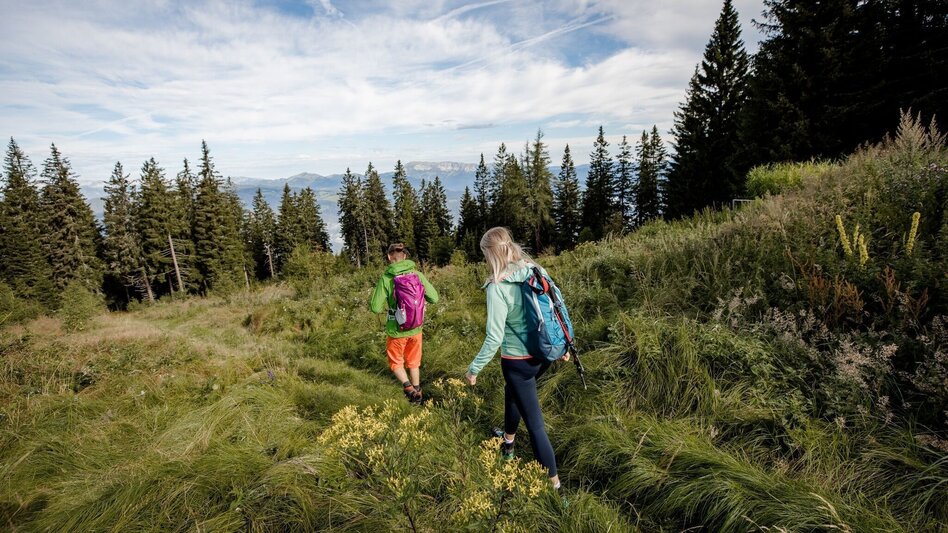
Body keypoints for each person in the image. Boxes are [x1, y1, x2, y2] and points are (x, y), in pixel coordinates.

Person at [465, 227, 566, 490]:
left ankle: (555, 488)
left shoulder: (497, 286)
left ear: (490, 253)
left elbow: (494, 338)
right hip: (542, 355)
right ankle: (508, 442)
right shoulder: (534, 269)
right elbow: (555, 308)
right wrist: (563, 345)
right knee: (513, 395)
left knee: (535, 425)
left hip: (517, 362)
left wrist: (474, 369)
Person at [370, 243, 439, 403]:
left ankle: (408, 387)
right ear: (405, 257)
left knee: (396, 362)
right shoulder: (417, 275)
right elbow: (434, 298)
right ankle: (418, 392)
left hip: (396, 330)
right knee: (413, 361)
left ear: (389, 257)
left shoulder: (387, 278)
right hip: (416, 328)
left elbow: (375, 308)